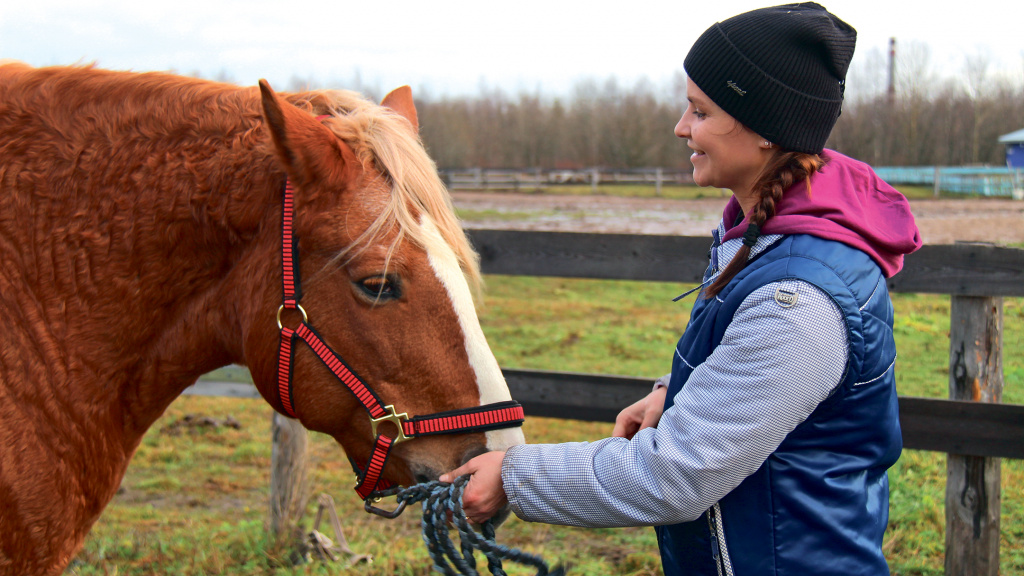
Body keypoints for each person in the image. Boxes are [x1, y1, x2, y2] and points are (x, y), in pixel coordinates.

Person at [441, 3, 922, 574]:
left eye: (700, 111)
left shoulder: (797, 303)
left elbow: (675, 475)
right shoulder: (767, 242)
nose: (681, 127)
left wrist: (515, 477)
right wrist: (680, 392)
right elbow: (767, 380)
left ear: (765, 130)